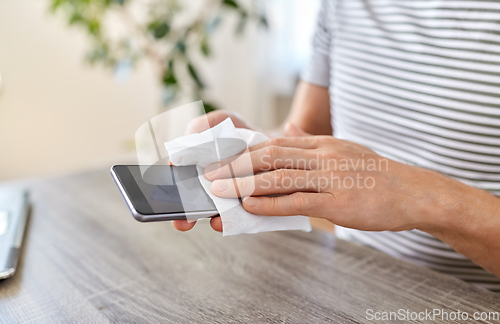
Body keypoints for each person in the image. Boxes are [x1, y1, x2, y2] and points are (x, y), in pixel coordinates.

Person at [173, 0, 500, 292]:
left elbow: (388, 181)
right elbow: (309, 132)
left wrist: (419, 197)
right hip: (356, 281)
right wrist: (256, 144)